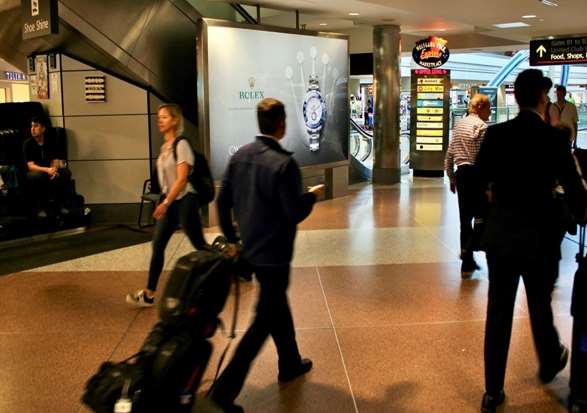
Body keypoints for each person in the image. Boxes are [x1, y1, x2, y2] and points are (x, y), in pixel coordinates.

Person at [476, 69, 587, 413]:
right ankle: (550, 359)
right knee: (539, 302)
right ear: (542, 98)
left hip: (503, 235)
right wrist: (577, 214)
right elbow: (575, 190)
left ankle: (493, 392)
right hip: (540, 238)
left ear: (516, 98)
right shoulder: (554, 139)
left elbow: (478, 180)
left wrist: (489, 211)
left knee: (498, 311)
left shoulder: (496, 134)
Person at [210, 98, 325, 412]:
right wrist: (311, 197)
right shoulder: (284, 164)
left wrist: (233, 240)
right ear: (281, 124)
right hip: (275, 254)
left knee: (276, 305)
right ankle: (222, 395)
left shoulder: (241, 156)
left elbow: (222, 202)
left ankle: (289, 361)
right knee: (262, 323)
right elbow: (293, 213)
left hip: (250, 250)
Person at [126, 104, 208, 307]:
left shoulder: (181, 145)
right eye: (158, 117)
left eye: (164, 117)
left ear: (175, 120)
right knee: (158, 246)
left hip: (185, 201)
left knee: (199, 245)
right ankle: (149, 294)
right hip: (170, 203)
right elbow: (166, 182)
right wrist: (165, 201)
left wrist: (165, 203)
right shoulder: (164, 148)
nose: (159, 120)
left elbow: (181, 180)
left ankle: (228, 270)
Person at [444, 93, 491, 278]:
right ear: (480, 108)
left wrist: (451, 177)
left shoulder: (459, 125)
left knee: (465, 219)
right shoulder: (482, 127)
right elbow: (485, 157)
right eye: (488, 108)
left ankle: (467, 262)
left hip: (462, 175)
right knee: (482, 216)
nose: (490, 111)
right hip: (477, 174)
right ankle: (473, 249)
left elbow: (449, 153)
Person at [24, 115, 71, 219]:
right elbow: (31, 166)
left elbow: (55, 160)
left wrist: (54, 170)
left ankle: (60, 205)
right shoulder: (28, 144)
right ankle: (41, 208)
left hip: (49, 168)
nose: (33, 129)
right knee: (38, 176)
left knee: (65, 173)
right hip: (36, 170)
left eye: (36, 126)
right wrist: (47, 170)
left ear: (43, 128)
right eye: (31, 126)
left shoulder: (50, 141)